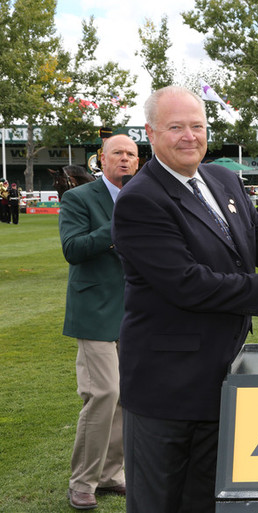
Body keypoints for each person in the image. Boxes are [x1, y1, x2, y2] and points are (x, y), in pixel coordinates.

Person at [111, 86, 258, 513]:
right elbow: (186, 284)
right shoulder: (140, 200)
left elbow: (256, 246)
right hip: (166, 388)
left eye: (198, 126)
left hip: (224, 377)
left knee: (208, 500)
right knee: (159, 502)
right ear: (150, 133)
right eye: (176, 127)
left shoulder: (222, 178)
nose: (190, 136)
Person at [59, 134, 139, 509]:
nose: (125, 159)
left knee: (127, 396)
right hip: (94, 312)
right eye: (118, 153)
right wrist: (116, 226)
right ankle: (82, 481)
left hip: (137, 312)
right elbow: (72, 250)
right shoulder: (78, 198)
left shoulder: (143, 197)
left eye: (131, 154)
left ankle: (110, 474)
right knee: (104, 393)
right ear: (101, 160)